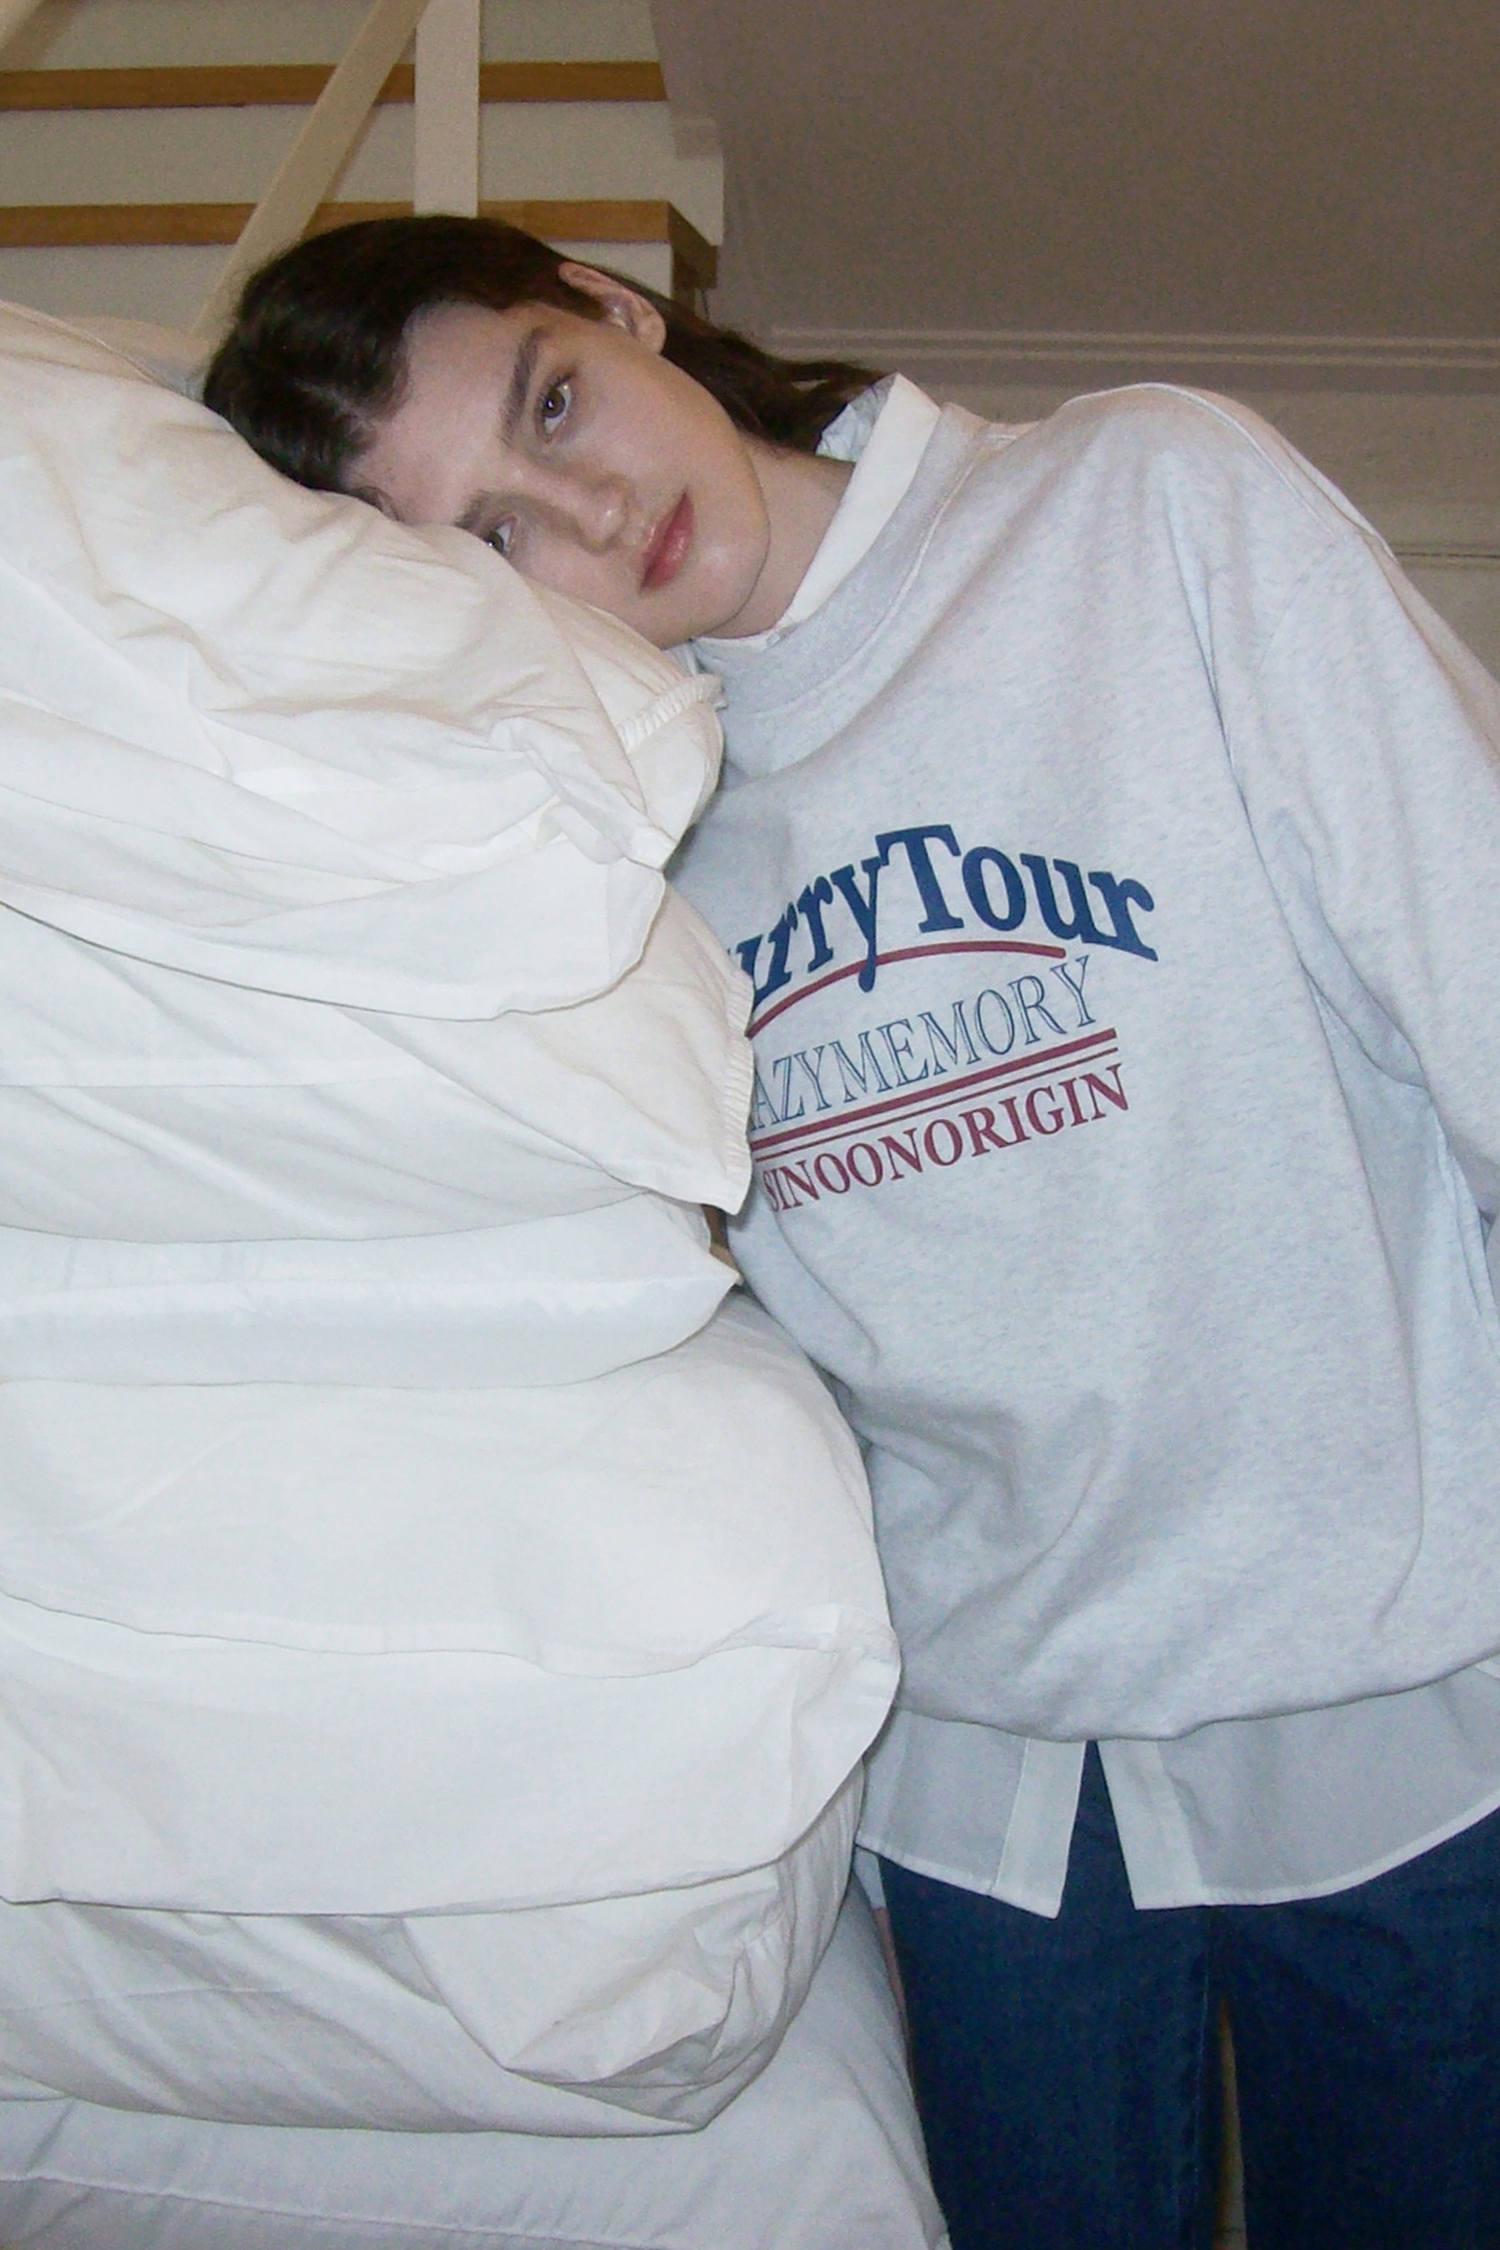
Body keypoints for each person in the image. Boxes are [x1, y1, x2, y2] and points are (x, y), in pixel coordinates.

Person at [205, 215, 1500, 2250]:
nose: (590, 510)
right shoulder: (604, 830)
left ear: (618, 307)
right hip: (992, 1782)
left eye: (556, 403)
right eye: (490, 537)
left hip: (1395, 1707)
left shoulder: (1151, 507)